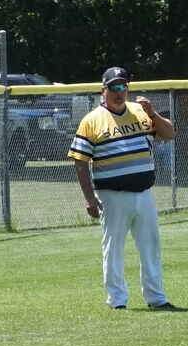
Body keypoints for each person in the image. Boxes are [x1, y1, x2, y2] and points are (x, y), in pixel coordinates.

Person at [71, 67, 177, 310]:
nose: (119, 92)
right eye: (114, 87)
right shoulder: (92, 120)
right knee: (114, 249)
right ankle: (117, 300)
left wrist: (153, 113)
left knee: (150, 247)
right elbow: (80, 161)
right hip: (112, 196)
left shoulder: (141, 111)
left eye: (123, 86)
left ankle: (156, 298)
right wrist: (89, 199)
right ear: (104, 89)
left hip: (144, 193)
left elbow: (169, 134)